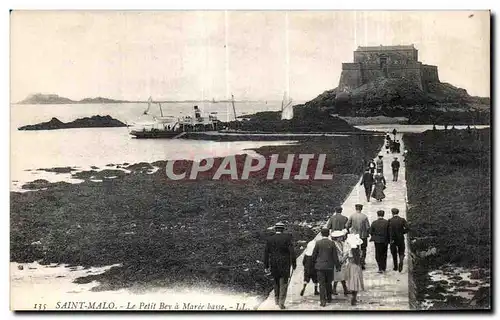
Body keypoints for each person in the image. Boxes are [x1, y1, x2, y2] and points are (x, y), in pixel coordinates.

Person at [264, 222, 297, 309]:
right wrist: (294, 264)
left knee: (276, 282)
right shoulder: (287, 238)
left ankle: (276, 300)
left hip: (274, 264)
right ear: (283, 229)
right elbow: (292, 252)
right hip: (285, 264)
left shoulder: (269, 239)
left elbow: (266, 254)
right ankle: (281, 303)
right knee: (284, 283)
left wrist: (266, 266)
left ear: (275, 229)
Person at [312, 228, 341, 307]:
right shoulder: (332, 243)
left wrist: (313, 265)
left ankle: (322, 301)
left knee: (321, 284)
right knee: (329, 283)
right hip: (329, 266)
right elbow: (335, 256)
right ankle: (329, 297)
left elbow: (314, 255)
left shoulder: (318, 243)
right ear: (328, 234)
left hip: (320, 266)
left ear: (321, 234)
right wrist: (338, 266)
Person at [346, 204, 370, 270]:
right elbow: (368, 227)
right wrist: (367, 233)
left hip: (354, 235)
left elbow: (347, 225)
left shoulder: (352, 216)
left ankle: (356, 262)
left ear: (355, 208)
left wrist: (348, 232)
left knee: (355, 249)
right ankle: (362, 262)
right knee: (363, 249)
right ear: (361, 209)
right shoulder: (364, 216)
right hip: (363, 235)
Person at [345, 234, 365, 306]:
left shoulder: (349, 251)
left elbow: (344, 258)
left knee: (352, 282)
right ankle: (354, 297)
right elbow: (361, 260)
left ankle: (353, 296)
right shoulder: (359, 251)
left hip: (350, 266)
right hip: (357, 267)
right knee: (356, 282)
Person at [388, 208, 409, 272]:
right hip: (400, 238)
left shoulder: (390, 220)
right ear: (398, 213)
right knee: (401, 251)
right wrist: (403, 232)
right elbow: (408, 228)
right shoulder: (402, 220)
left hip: (393, 239)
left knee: (394, 253)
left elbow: (388, 230)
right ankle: (401, 260)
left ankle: (395, 267)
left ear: (392, 213)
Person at [331, 229, 350, 296]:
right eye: (340, 237)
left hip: (342, 260)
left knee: (341, 276)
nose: (342, 238)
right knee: (338, 276)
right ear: (337, 238)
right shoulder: (334, 244)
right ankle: (342, 289)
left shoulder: (342, 243)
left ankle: (342, 289)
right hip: (337, 261)